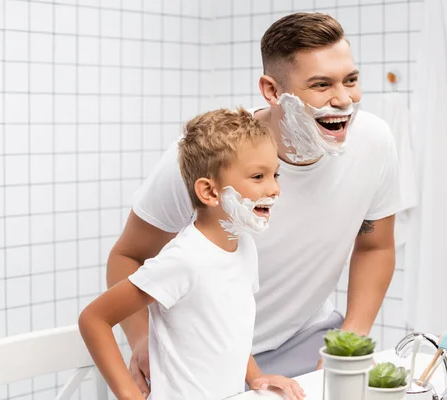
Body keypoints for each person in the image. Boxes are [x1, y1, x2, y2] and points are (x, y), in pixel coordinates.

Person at [107, 12, 401, 395]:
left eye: (351, 80)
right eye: (320, 85)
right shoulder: (205, 158)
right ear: (272, 90)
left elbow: (375, 244)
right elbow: (128, 256)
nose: (343, 100)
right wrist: (144, 342)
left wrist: (351, 338)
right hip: (207, 359)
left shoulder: (374, 143)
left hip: (308, 338)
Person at [79, 108, 305, 400]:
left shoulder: (244, 246)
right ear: (210, 193)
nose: (274, 189)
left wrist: (255, 377)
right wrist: (129, 396)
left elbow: (230, 330)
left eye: (275, 174)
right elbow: (93, 319)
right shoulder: (185, 259)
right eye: (258, 176)